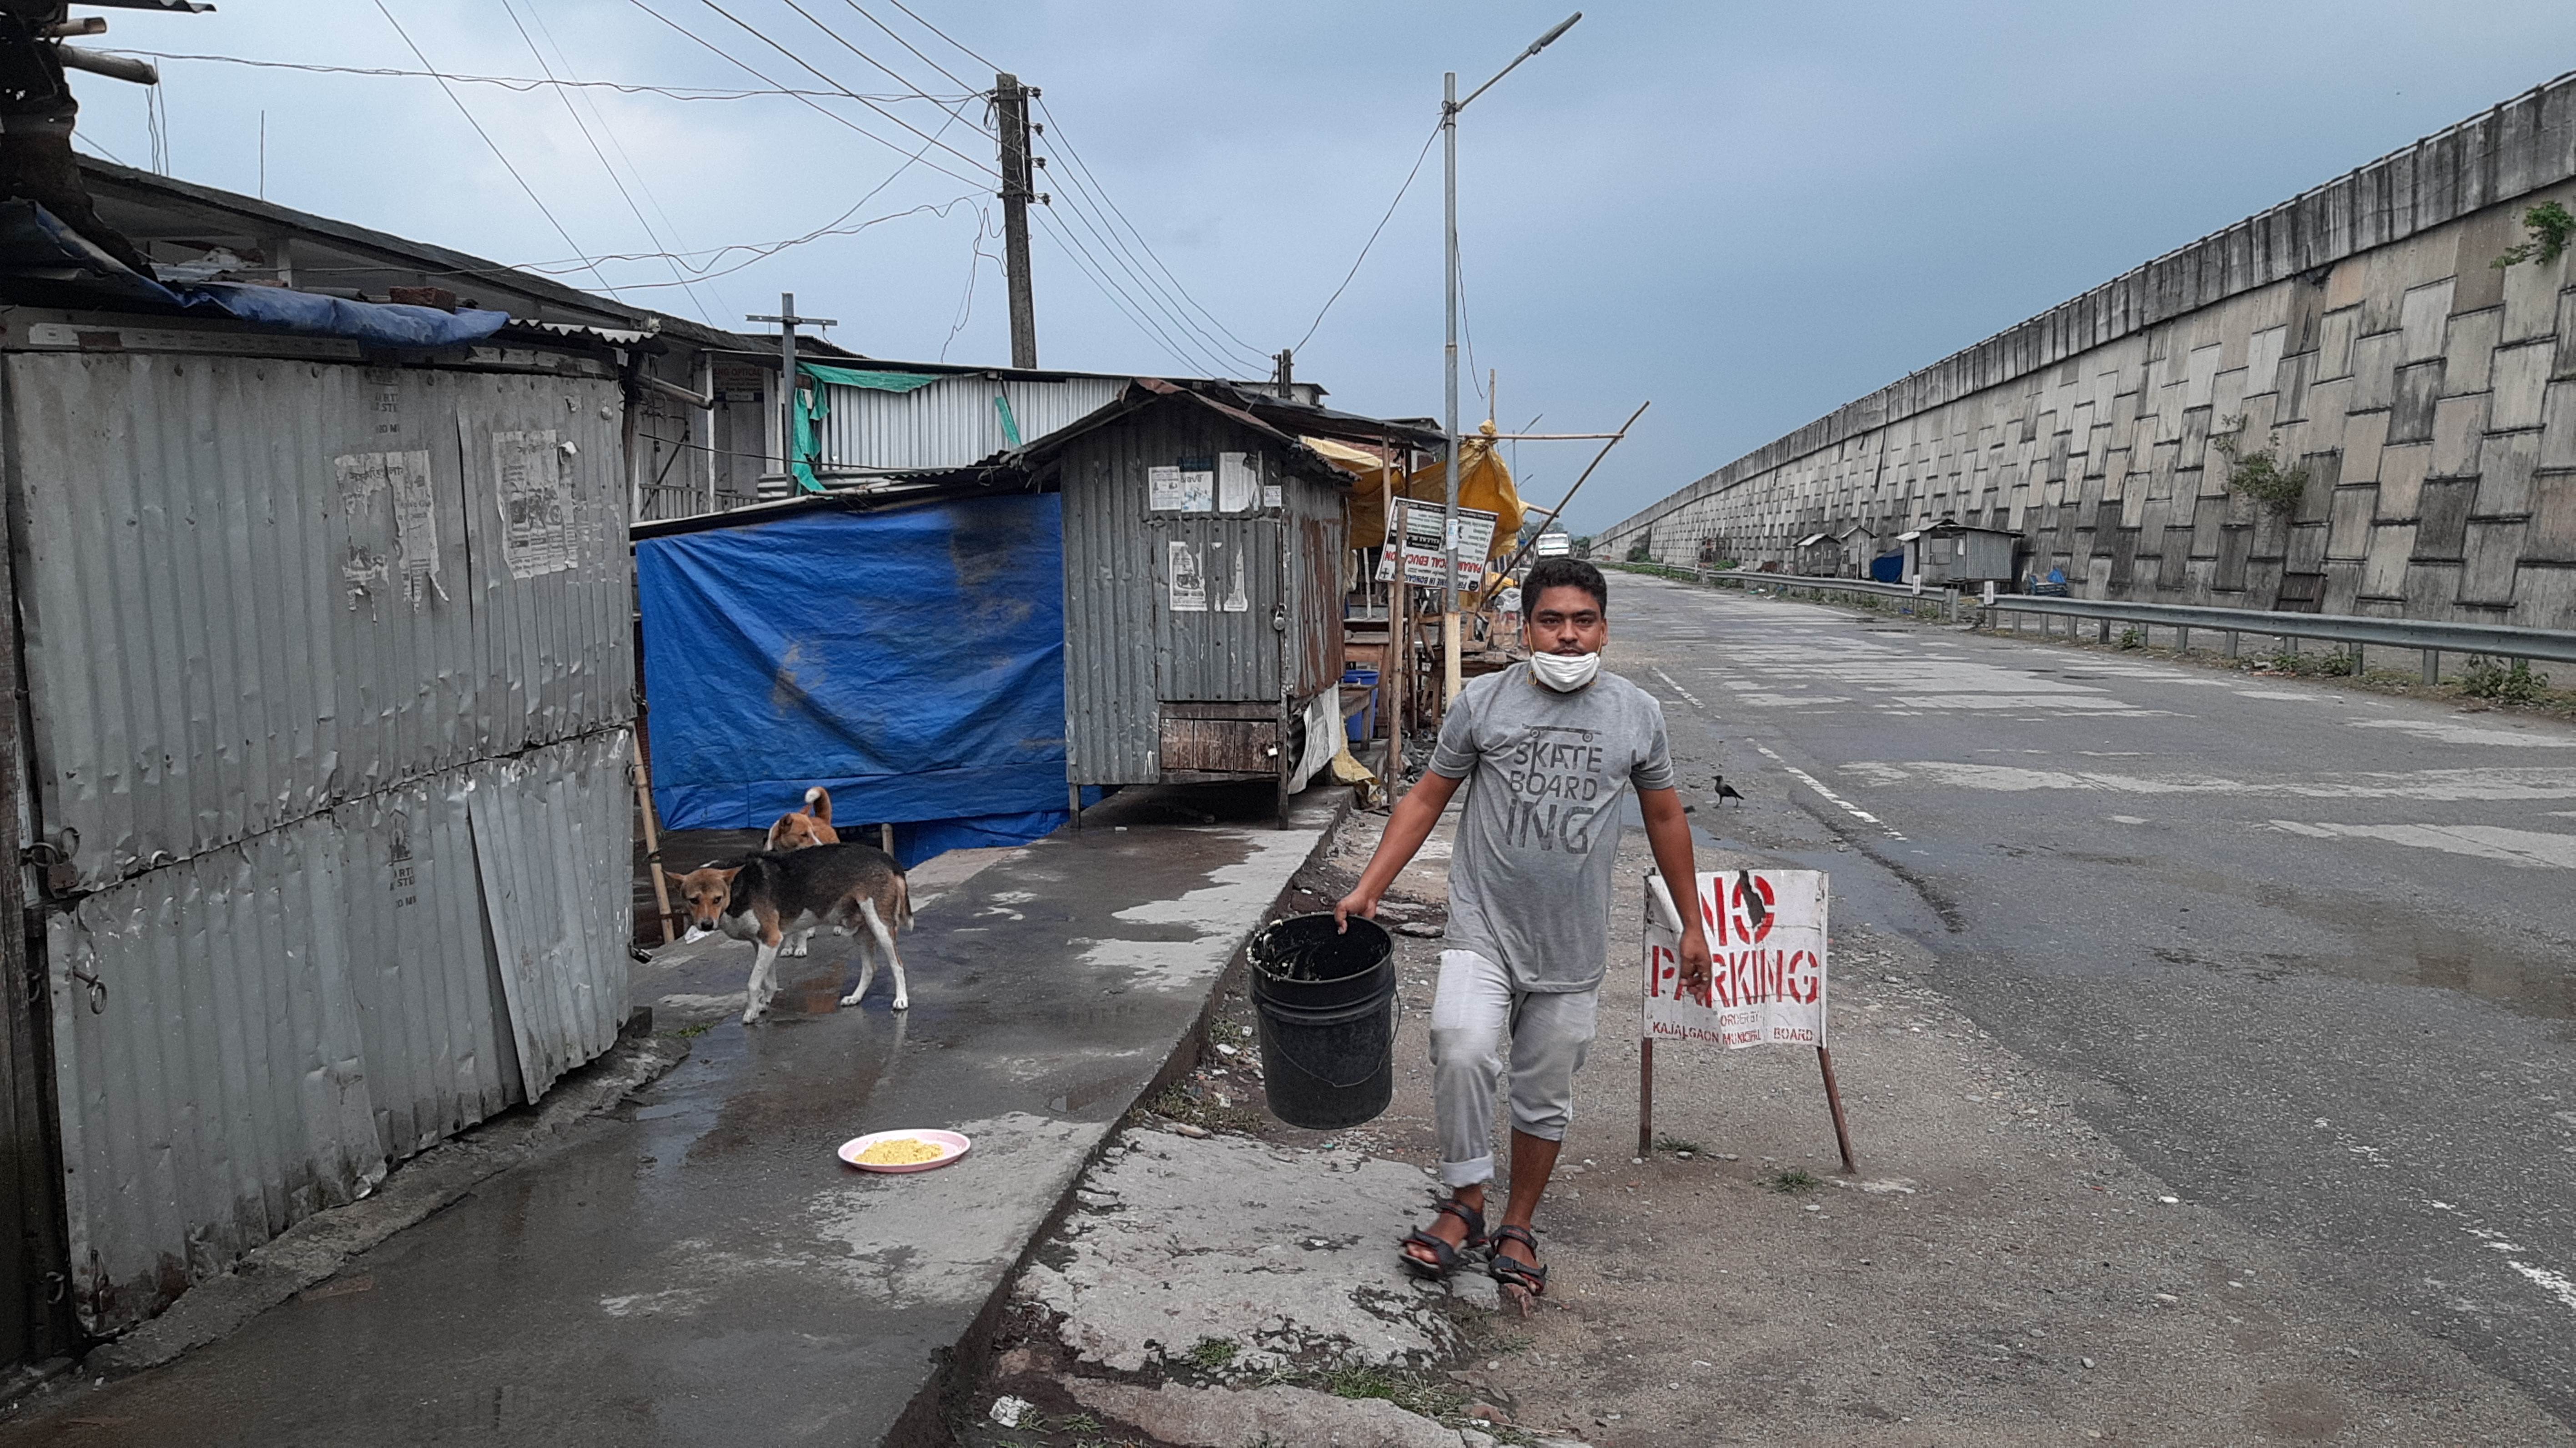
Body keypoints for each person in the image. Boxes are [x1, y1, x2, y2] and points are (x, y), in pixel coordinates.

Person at [1333, 557, 1712, 1314]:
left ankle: (1518, 1225)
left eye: (1583, 622)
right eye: (1551, 621)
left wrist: (1691, 922)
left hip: (1572, 946)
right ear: (1523, 625)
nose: (1567, 638)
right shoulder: (1484, 702)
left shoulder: (1638, 713)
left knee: (1545, 1095)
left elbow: (1667, 816)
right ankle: (1467, 1197)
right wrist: (1369, 885)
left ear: (1604, 627)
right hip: (1484, 926)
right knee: (1461, 1043)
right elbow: (1428, 798)